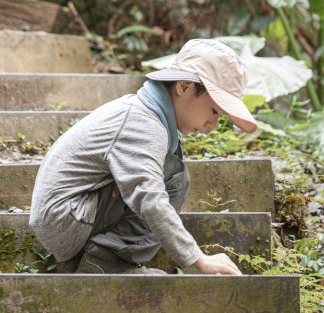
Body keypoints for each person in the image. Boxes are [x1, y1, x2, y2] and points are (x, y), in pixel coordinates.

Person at [29, 39, 257, 274]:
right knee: (172, 179)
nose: (212, 124)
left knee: (168, 170)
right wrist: (197, 258)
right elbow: (150, 198)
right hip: (66, 218)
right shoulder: (142, 123)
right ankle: (106, 265)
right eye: (214, 111)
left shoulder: (142, 114)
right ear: (185, 87)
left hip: (69, 215)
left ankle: (90, 262)